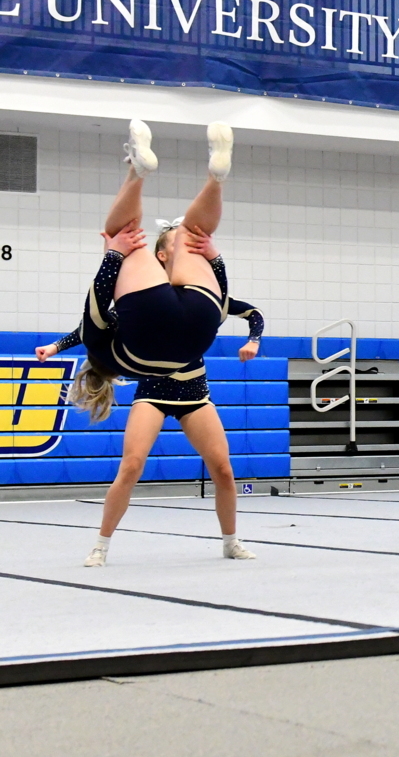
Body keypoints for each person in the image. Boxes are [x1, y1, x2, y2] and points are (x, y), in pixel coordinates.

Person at [45, 119, 251, 567]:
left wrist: (114, 257)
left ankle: (229, 542)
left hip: (188, 374)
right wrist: (114, 254)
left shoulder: (114, 349)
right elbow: (97, 308)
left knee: (212, 469)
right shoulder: (109, 339)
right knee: (135, 465)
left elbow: (93, 318)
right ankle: (208, 178)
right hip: (169, 370)